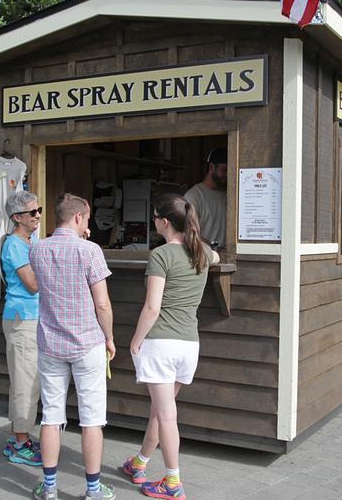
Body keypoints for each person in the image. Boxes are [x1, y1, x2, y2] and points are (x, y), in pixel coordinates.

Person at [122, 194, 219, 500]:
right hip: (188, 345)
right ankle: (139, 463)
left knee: (165, 415)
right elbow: (216, 257)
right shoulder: (202, 252)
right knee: (160, 410)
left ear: (164, 222)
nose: (153, 221)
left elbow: (152, 308)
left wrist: (135, 341)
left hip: (161, 345)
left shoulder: (160, 255)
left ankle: (173, 483)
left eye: (155, 217)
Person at [29, 193, 117, 500]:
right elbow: (102, 304)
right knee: (91, 419)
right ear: (79, 217)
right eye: (87, 218)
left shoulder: (37, 249)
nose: (88, 224)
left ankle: (49, 488)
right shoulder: (90, 251)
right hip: (87, 342)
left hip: (50, 342)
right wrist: (109, 338)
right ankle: (93, 490)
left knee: (51, 416)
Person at [0, 191, 43, 466]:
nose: (38, 215)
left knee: (26, 379)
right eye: (32, 212)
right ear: (17, 218)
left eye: (39, 210)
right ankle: (20, 444)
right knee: (25, 382)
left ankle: (18, 437)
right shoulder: (15, 245)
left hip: (32, 318)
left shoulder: (32, 240)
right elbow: (33, 284)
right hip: (22, 319)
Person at [183, 147, 227, 249]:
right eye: (224, 170)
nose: (227, 175)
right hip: (202, 256)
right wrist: (215, 247)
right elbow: (188, 233)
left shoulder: (228, 195)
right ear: (211, 167)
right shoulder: (194, 196)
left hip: (226, 256)